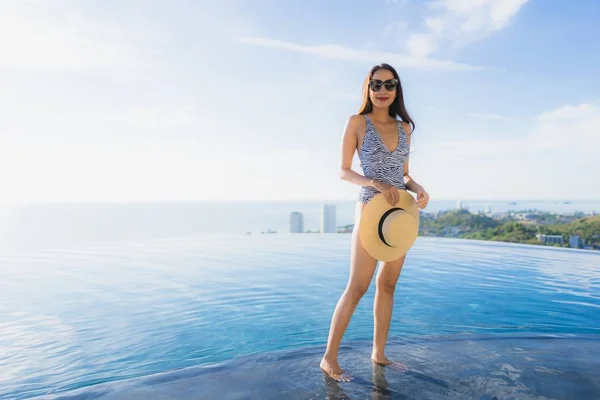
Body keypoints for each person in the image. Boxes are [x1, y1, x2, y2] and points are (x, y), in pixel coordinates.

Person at [320, 63, 430, 382]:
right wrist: (375, 183)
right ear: (368, 89)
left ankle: (379, 353)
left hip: (400, 215)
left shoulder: (405, 128)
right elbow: (343, 170)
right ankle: (329, 358)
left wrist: (418, 188)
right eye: (376, 85)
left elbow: (404, 174)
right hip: (370, 210)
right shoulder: (356, 123)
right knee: (357, 286)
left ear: (397, 90)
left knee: (388, 285)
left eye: (389, 85)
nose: (383, 91)